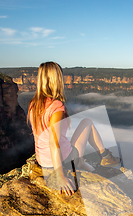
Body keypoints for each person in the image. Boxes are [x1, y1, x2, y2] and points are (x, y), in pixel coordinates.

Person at [27, 61, 120, 196]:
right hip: (61, 162)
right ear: (57, 79)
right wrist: (60, 176)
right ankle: (105, 157)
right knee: (87, 122)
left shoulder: (33, 104)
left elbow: (39, 135)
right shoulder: (56, 106)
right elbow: (54, 143)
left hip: (43, 160)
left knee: (71, 143)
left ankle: (82, 163)